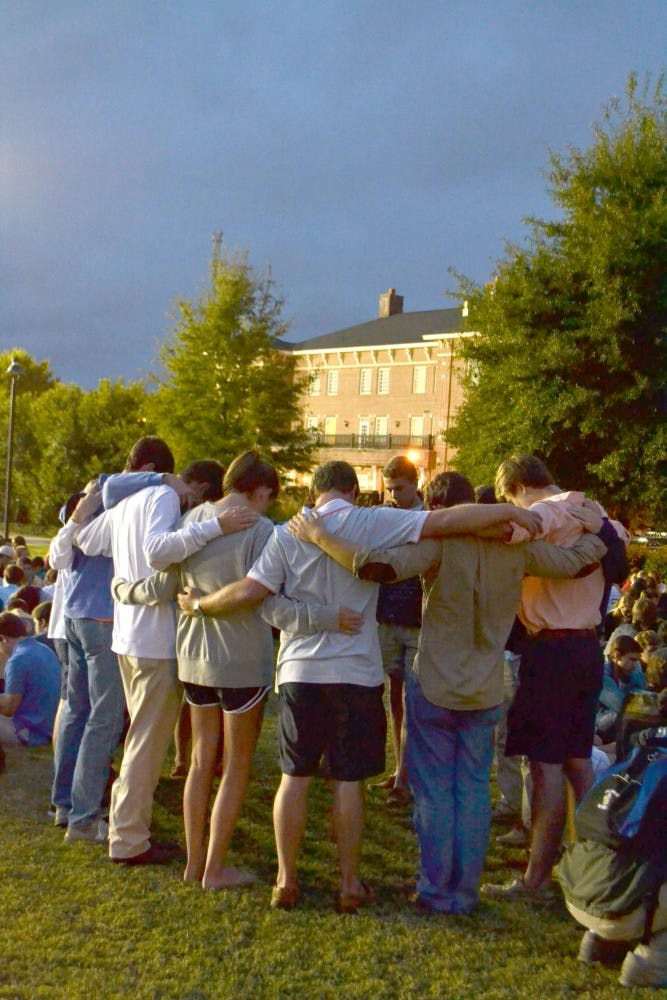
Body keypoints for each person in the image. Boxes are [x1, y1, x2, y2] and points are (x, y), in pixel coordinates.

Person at [177, 459, 546, 912]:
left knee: (293, 779)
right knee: (348, 782)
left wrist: (199, 607)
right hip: (356, 672)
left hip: (300, 672)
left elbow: (253, 594)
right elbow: (449, 519)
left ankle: (284, 878)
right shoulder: (372, 520)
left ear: (315, 493)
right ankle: (349, 884)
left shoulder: (285, 533)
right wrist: (509, 513)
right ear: (353, 490)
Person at [288, 470, 608, 914]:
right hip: (485, 686)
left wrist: (321, 536)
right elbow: (579, 562)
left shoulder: (439, 544)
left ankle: (438, 890)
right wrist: (598, 528)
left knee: (435, 793)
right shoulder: (520, 550)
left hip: (436, 681)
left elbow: (373, 566)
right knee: (473, 791)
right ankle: (464, 891)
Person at [74, 436, 259, 865]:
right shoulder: (158, 495)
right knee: (145, 743)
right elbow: (157, 552)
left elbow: (85, 539)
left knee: (140, 736)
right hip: (155, 641)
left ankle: (125, 829)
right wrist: (216, 526)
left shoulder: (124, 505)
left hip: (127, 637)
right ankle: (129, 840)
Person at [488, 454, 626, 901]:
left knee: (544, 768)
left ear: (516, 489)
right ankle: (596, 868)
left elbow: (505, 536)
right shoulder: (597, 514)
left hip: (549, 649)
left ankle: (535, 880)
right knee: (577, 762)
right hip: (587, 648)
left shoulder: (542, 513)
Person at [374, 455, 423, 806]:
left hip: (417, 620)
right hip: (388, 616)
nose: (393, 495)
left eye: (399, 489)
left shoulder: (429, 518)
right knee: (394, 698)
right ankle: (399, 771)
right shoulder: (383, 518)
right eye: (389, 489)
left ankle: (406, 777)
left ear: (415, 484)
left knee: (411, 700)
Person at [0, 612, 60, 747]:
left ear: (3, 638)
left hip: (29, 733)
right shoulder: (44, 650)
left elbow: (9, 707)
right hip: (51, 728)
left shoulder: (18, 659)